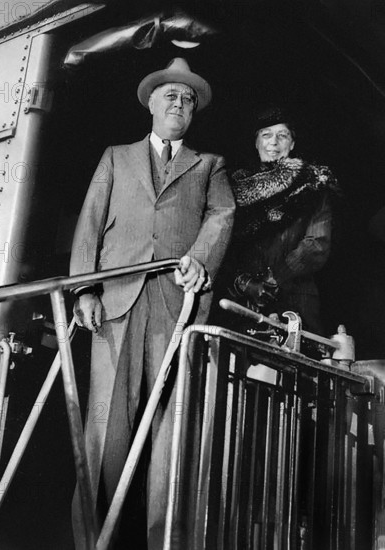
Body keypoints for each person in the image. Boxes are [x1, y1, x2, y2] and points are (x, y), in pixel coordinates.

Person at [69, 57, 235, 549]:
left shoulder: (209, 165)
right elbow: (90, 224)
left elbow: (222, 216)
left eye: (187, 99)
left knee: (172, 427)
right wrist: (84, 289)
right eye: (171, 96)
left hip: (176, 304)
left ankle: (165, 540)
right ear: (151, 105)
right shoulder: (116, 157)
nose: (179, 103)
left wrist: (201, 261)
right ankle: (91, 540)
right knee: (104, 429)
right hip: (115, 304)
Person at [225, 105, 339, 334]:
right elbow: (223, 248)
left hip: (297, 303)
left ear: (292, 144)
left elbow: (317, 244)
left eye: (282, 135)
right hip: (243, 304)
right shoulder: (233, 191)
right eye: (266, 135)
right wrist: (245, 284)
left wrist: (276, 278)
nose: (274, 142)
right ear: (256, 142)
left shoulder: (314, 185)